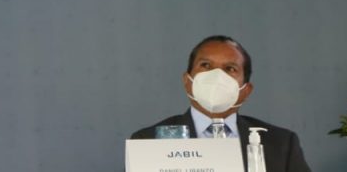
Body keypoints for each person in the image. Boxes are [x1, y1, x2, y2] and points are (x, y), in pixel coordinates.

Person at [129, 35, 311, 172]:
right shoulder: (147, 141)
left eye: (230, 68)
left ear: (246, 90)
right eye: (206, 65)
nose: (216, 77)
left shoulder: (281, 144)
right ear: (187, 81)